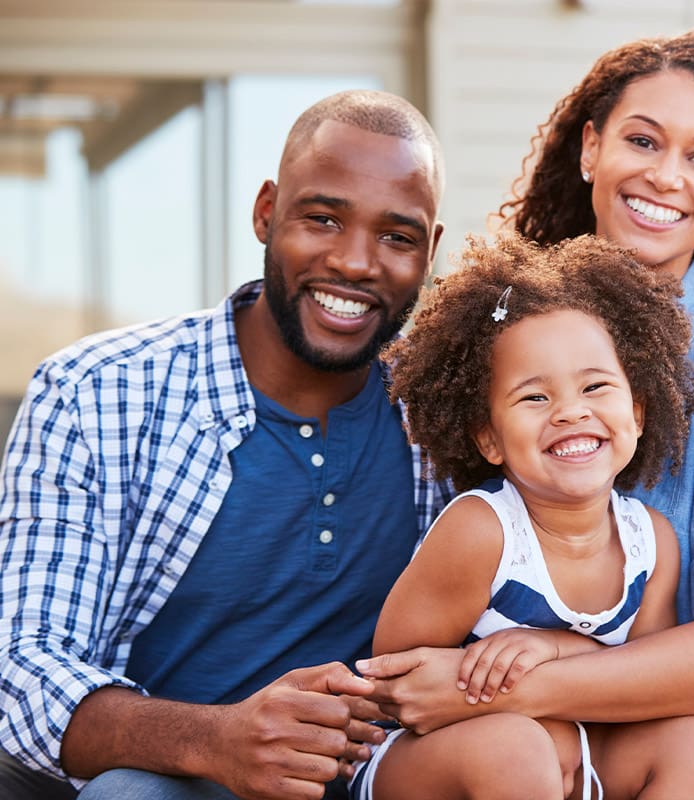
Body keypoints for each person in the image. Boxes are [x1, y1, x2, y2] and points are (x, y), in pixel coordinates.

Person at [358, 30, 694, 799]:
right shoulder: (504, 333)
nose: (666, 177)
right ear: (591, 148)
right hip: (495, 763)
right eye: (642, 140)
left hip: (679, 771)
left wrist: (503, 681)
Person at [0, 89, 451, 800]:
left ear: (431, 251)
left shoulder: (446, 421)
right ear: (266, 211)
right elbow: (20, 670)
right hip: (166, 777)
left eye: (397, 237)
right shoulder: (95, 394)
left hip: (373, 779)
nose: (357, 262)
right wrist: (217, 741)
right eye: (323, 218)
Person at [348, 233, 694, 800]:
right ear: (489, 438)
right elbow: (396, 681)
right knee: (516, 750)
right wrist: (513, 703)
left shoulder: (652, 543)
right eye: (534, 398)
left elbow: (645, 684)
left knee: (690, 741)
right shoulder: (483, 532)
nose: (572, 411)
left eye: (596, 386)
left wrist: (555, 649)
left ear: (638, 412)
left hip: (577, 757)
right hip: (434, 765)